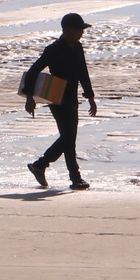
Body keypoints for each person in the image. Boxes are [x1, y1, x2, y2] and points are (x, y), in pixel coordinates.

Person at [22, 12, 98, 190]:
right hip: (57, 99)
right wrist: (29, 98)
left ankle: (44, 167)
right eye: (79, 29)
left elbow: (83, 74)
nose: (82, 33)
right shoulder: (54, 49)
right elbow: (33, 72)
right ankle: (63, 172)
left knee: (68, 138)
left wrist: (91, 97)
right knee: (68, 138)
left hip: (72, 98)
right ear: (68, 30)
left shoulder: (77, 48)